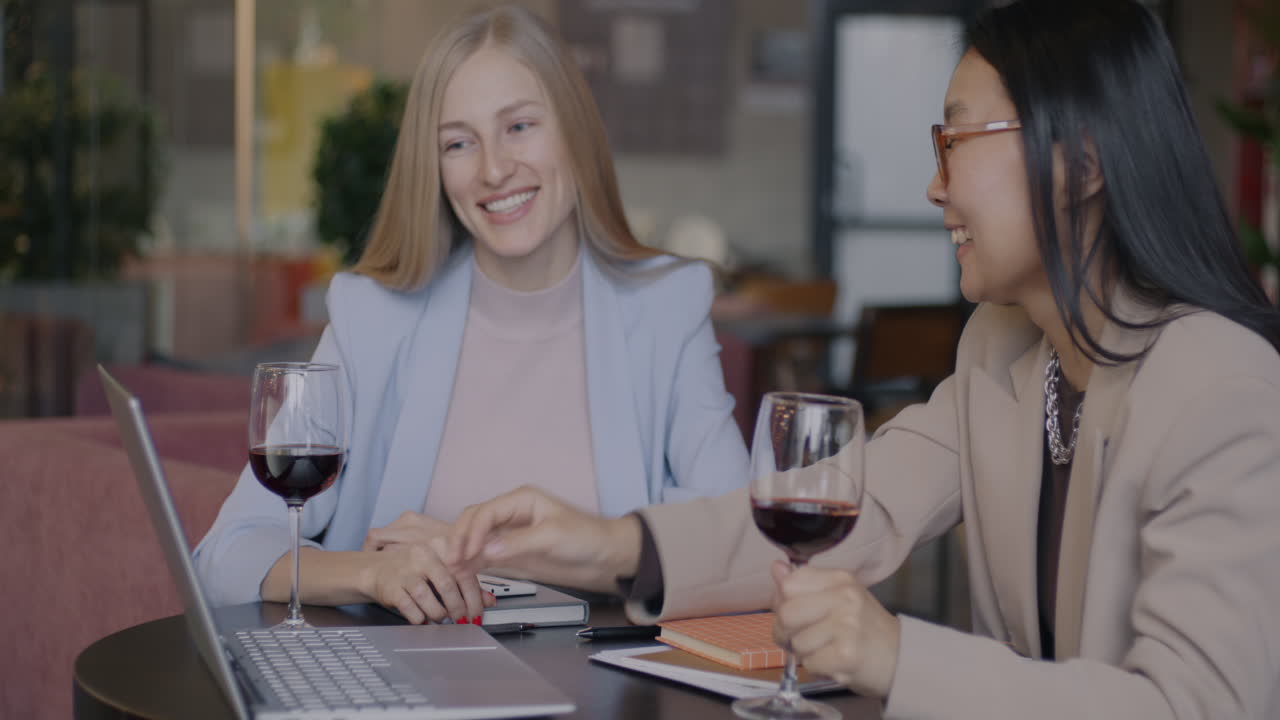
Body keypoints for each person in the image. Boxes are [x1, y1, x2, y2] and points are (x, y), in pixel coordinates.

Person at [446, 1, 1280, 716]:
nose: (933, 184)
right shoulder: (1005, 353)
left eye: (956, 139)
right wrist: (611, 544)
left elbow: (1193, 705)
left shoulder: (1222, 390)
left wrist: (895, 658)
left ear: (1083, 161)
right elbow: (854, 505)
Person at [193, 5, 748, 625]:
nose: (492, 169)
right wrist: (372, 572)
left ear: (574, 127)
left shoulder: (667, 308)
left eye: (519, 127)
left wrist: (521, 554)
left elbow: (742, 547)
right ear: (435, 168)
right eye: (459, 142)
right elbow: (227, 555)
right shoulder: (372, 318)